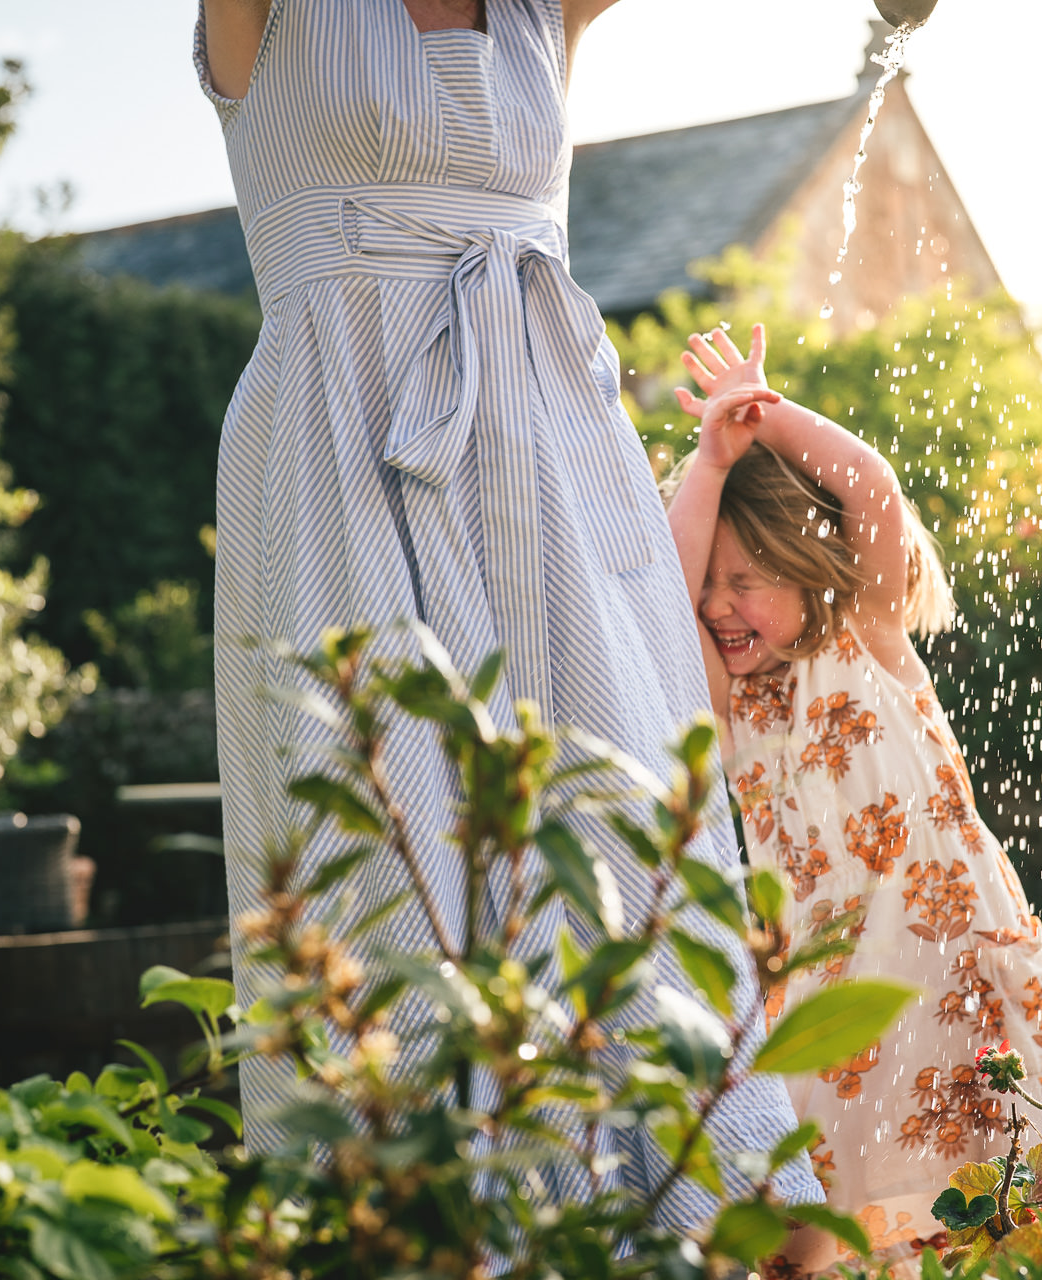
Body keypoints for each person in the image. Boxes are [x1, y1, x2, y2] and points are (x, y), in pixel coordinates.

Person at [194, 0, 819, 1225]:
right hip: (344, 457)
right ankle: (432, 1228)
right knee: (382, 841)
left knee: (632, 816)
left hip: (554, 461)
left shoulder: (545, 11)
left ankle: (720, 1215)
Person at [662, 324, 1042, 1273]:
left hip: (948, 958)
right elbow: (666, 595)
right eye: (708, 589)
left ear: (808, 569)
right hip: (820, 983)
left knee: (991, 1178)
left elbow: (869, 487)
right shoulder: (728, 702)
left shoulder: (866, 624)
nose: (720, 606)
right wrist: (709, 466)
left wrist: (766, 415)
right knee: (818, 1193)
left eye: (748, 581)